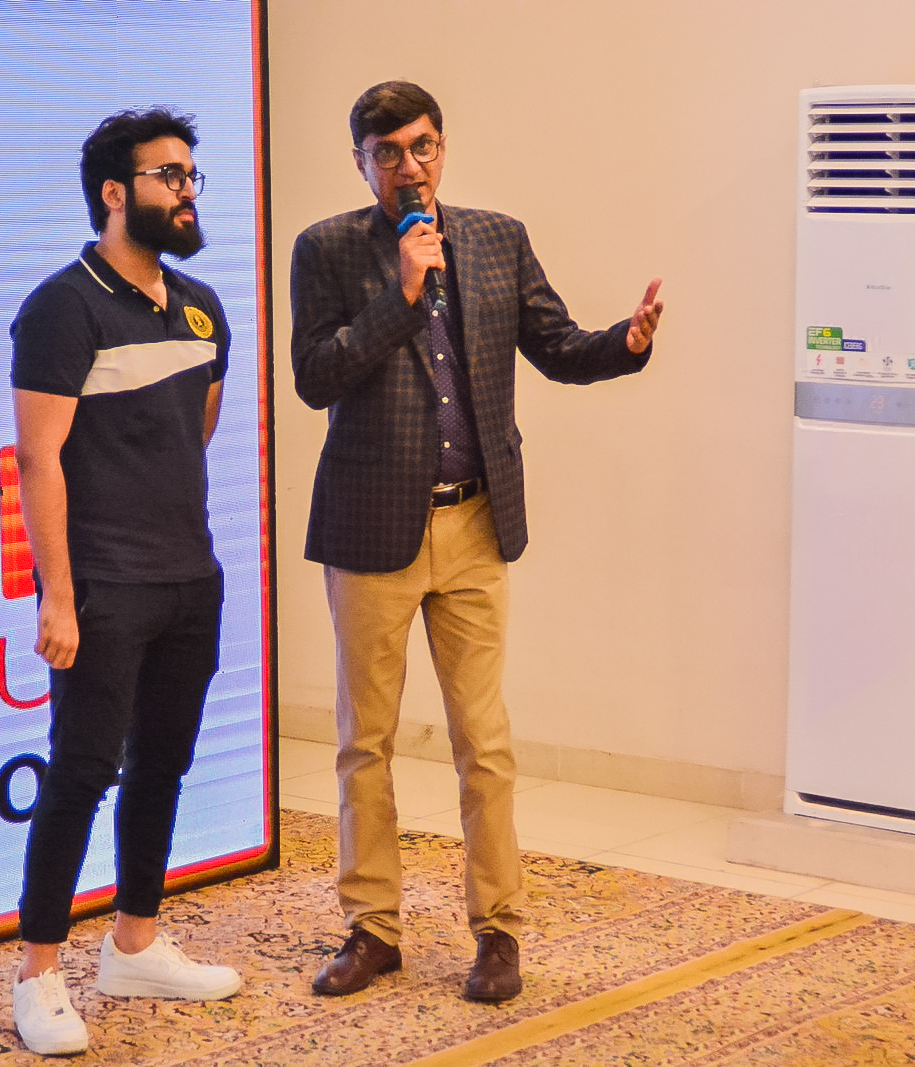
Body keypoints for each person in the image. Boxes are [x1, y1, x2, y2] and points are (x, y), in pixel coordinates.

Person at [290, 81, 663, 1003]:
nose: (408, 166)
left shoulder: (498, 238)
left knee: (484, 741)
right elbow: (316, 375)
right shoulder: (326, 248)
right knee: (364, 742)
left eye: (421, 146)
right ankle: (373, 928)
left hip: (474, 522)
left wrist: (626, 342)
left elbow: (557, 345)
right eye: (387, 152)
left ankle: (499, 930)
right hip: (370, 527)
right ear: (361, 162)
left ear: (443, 148)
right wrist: (403, 291)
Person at [7, 107, 240, 1056]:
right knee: (80, 773)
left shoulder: (203, 305)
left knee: (162, 766)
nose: (187, 191)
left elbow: (196, 429)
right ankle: (38, 974)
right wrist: (59, 593)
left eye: (191, 175)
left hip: (189, 576)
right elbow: (37, 458)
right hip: (104, 585)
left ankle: (135, 943)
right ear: (115, 192)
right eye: (167, 175)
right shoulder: (63, 307)